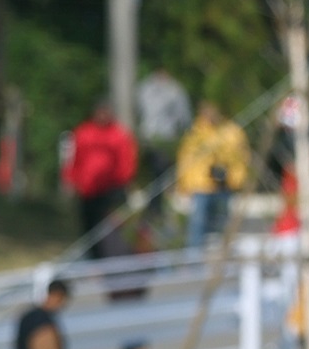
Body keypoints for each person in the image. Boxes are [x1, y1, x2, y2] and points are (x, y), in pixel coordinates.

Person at [63, 103, 138, 259]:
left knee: (110, 228)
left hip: (111, 190)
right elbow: (75, 159)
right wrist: (71, 179)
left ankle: (112, 258)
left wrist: (125, 181)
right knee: (89, 227)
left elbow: (126, 160)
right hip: (88, 190)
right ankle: (93, 259)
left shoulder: (118, 134)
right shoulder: (83, 132)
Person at [174, 101, 249, 249]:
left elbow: (241, 158)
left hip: (225, 186)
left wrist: (236, 179)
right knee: (198, 227)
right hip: (201, 186)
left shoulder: (232, 132)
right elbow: (185, 160)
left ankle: (225, 261)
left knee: (224, 228)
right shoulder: (195, 133)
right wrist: (183, 185)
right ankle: (195, 263)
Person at [135, 68, 192, 230]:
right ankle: (151, 212)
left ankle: (155, 212)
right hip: (147, 141)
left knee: (160, 177)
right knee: (152, 178)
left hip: (164, 141)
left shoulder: (174, 91)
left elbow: (184, 118)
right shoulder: (144, 89)